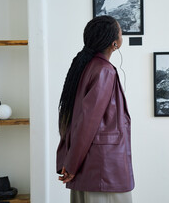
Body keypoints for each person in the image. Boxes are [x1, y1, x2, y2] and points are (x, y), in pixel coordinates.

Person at [56, 15, 134, 203]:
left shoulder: (85, 66)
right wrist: (72, 165)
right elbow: (87, 123)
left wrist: (70, 160)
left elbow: (71, 118)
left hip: (88, 166)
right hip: (103, 169)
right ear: (114, 43)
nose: (123, 35)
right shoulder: (104, 70)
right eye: (121, 32)